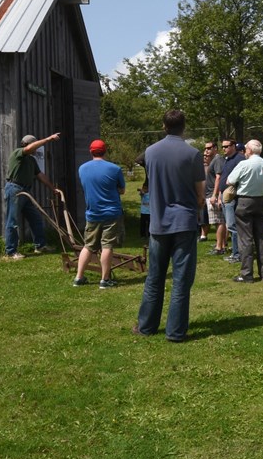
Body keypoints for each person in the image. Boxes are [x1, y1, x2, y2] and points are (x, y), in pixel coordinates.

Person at [134, 110, 205, 342]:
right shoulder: (193, 154)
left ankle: (146, 326)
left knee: (154, 277)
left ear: (164, 126)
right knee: (181, 280)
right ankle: (175, 332)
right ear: (184, 127)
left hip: (158, 222)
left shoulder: (150, 152)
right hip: (184, 222)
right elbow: (200, 194)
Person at [74, 139, 126, 288]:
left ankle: (79, 277)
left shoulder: (82, 169)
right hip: (112, 212)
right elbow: (122, 190)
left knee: (88, 245)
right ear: (105, 151)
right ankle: (105, 279)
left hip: (92, 212)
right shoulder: (115, 169)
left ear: (91, 151)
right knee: (107, 245)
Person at [4, 132, 60, 259]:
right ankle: (11, 252)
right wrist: (48, 138)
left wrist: (53, 188)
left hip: (25, 191)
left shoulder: (31, 160)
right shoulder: (18, 153)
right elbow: (28, 149)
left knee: (36, 218)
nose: (36, 150)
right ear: (29, 145)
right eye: (35, 146)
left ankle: (40, 246)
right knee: (12, 221)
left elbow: (40, 176)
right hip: (15, 189)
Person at [225, 139, 263, 282]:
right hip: (262, 200)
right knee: (261, 238)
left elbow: (230, 180)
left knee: (245, 239)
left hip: (245, 201)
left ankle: (247, 274)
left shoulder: (244, 164)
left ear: (250, 150)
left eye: (246, 149)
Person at [214, 140, 243, 263]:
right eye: (222, 146)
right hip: (225, 196)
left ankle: (237, 254)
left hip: (232, 197)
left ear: (233, 146)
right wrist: (220, 195)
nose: (224, 148)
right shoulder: (227, 159)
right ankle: (235, 252)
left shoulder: (239, 159)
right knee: (230, 226)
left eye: (226, 146)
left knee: (233, 226)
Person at [205, 140, 227, 254]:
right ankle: (221, 244)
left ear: (215, 149)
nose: (206, 151)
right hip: (210, 194)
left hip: (213, 195)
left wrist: (215, 195)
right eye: (205, 148)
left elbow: (219, 177)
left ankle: (219, 248)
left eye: (209, 148)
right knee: (217, 221)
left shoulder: (218, 159)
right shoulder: (214, 160)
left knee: (219, 221)